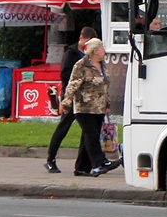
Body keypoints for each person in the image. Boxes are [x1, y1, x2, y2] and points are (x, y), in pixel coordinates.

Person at [61, 38, 119, 177]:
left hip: (98, 108)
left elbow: (104, 86)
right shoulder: (81, 65)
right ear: (95, 51)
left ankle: (81, 168)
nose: (104, 50)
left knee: (88, 137)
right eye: (102, 48)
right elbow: (72, 85)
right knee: (91, 135)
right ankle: (99, 163)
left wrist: (107, 104)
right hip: (84, 107)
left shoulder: (102, 64)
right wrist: (66, 103)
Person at [44, 26, 93, 173]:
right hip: (71, 96)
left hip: (85, 97)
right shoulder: (71, 53)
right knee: (63, 127)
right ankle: (50, 159)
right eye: (87, 42)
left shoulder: (89, 54)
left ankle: (83, 165)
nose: (88, 46)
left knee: (88, 130)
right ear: (82, 38)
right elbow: (65, 74)